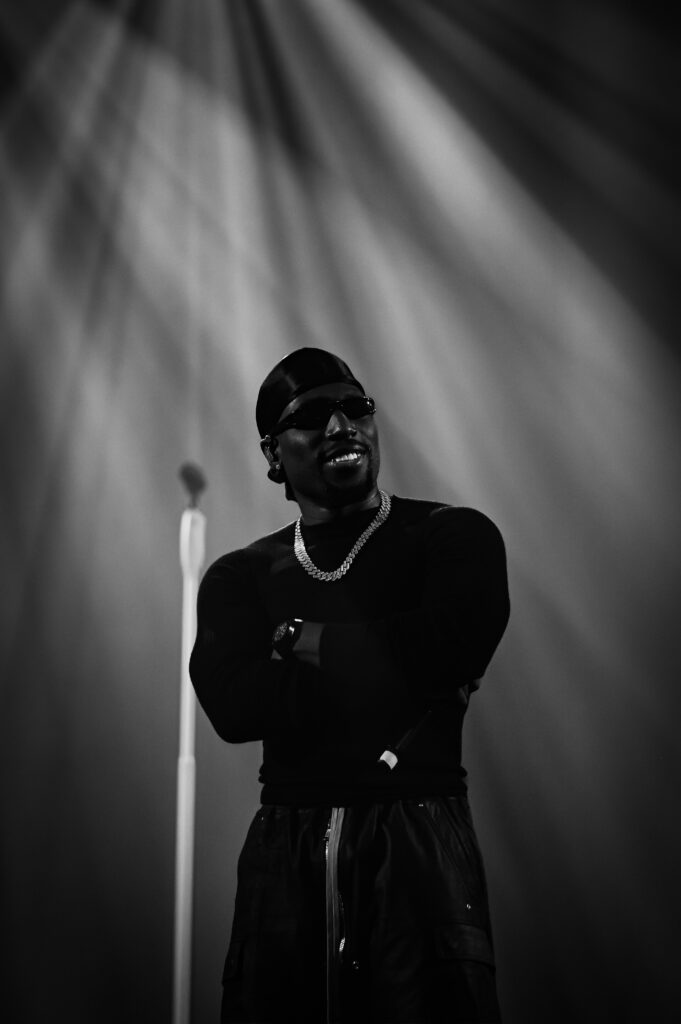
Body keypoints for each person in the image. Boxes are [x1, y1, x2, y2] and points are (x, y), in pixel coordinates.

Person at [190, 347, 510, 1023]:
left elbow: (455, 641)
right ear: (273, 454)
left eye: (354, 407)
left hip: (417, 839)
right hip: (286, 846)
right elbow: (233, 706)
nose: (341, 426)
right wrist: (401, 673)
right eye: (312, 416)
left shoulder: (452, 536)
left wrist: (303, 641)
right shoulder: (240, 576)